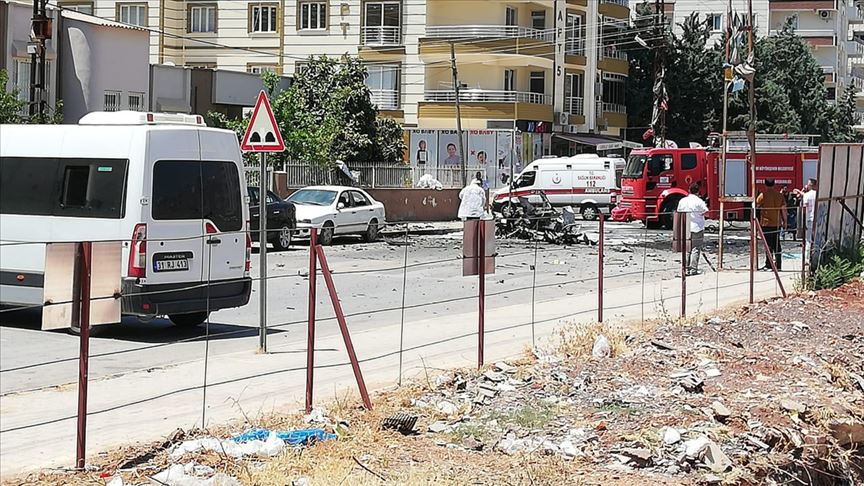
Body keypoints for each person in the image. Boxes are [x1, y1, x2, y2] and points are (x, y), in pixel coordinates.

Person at [676, 183, 709, 276]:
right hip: (697, 227)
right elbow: (706, 212)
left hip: (685, 227)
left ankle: (685, 269)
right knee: (695, 249)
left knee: (687, 249)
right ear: (698, 191)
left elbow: (679, 212)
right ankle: (693, 269)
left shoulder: (682, 201)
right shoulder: (699, 201)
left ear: (689, 190)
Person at [756, 179, 787, 271]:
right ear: (774, 184)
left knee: (768, 245)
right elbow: (784, 209)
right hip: (777, 223)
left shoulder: (762, 196)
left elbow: (756, 206)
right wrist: (785, 221)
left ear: (765, 185)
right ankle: (778, 265)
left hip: (766, 223)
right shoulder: (779, 196)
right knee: (777, 244)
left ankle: (769, 264)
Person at [795, 178, 817, 247]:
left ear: (810, 185)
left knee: (809, 239)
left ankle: (808, 255)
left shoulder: (807, 195)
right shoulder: (817, 194)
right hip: (817, 218)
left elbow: (805, 206)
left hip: (809, 218)